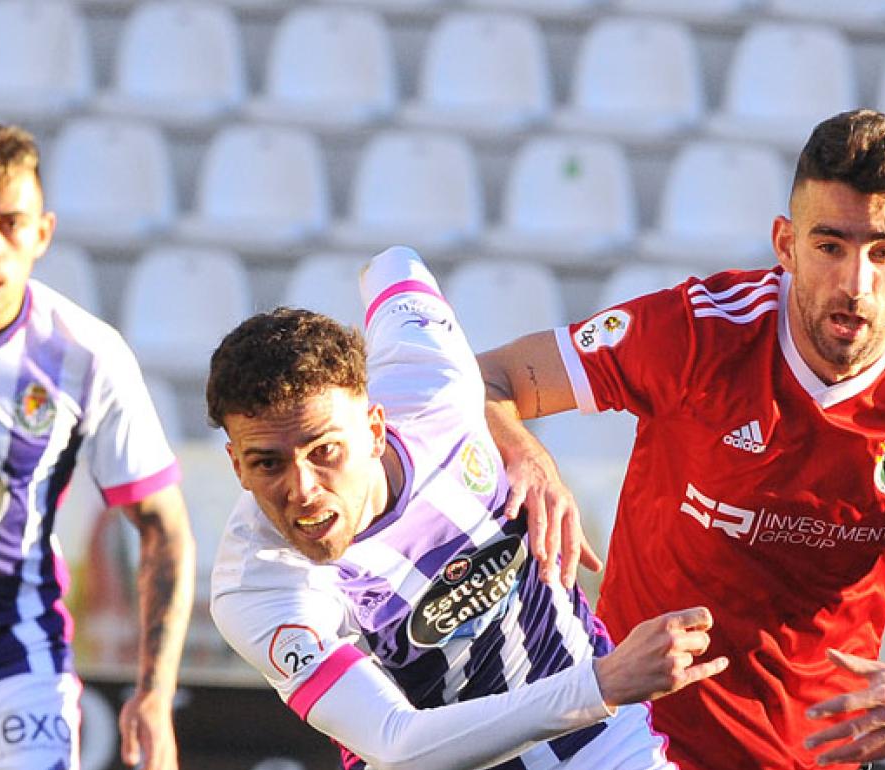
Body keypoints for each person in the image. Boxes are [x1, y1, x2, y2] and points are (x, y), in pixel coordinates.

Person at [478, 109, 885, 770]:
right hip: (632, 743)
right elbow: (488, 376)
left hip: (813, 756)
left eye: (883, 251)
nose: (856, 284)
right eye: (830, 246)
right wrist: (529, 455)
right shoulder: (697, 331)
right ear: (785, 243)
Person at [206, 245, 728, 770]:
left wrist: (524, 446)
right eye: (268, 464)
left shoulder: (434, 381)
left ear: (373, 428)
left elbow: (393, 262)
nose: (303, 489)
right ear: (236, 464)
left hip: (600, 744)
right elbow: (397, 745)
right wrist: (603, 682)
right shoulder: (258, 585)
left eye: (325, 452)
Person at [0, 123, 195, 770]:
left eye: (9, 223)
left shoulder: (85, 355)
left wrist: (153, 693)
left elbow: (164, 529)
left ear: (42, 232)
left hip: (15, 671)